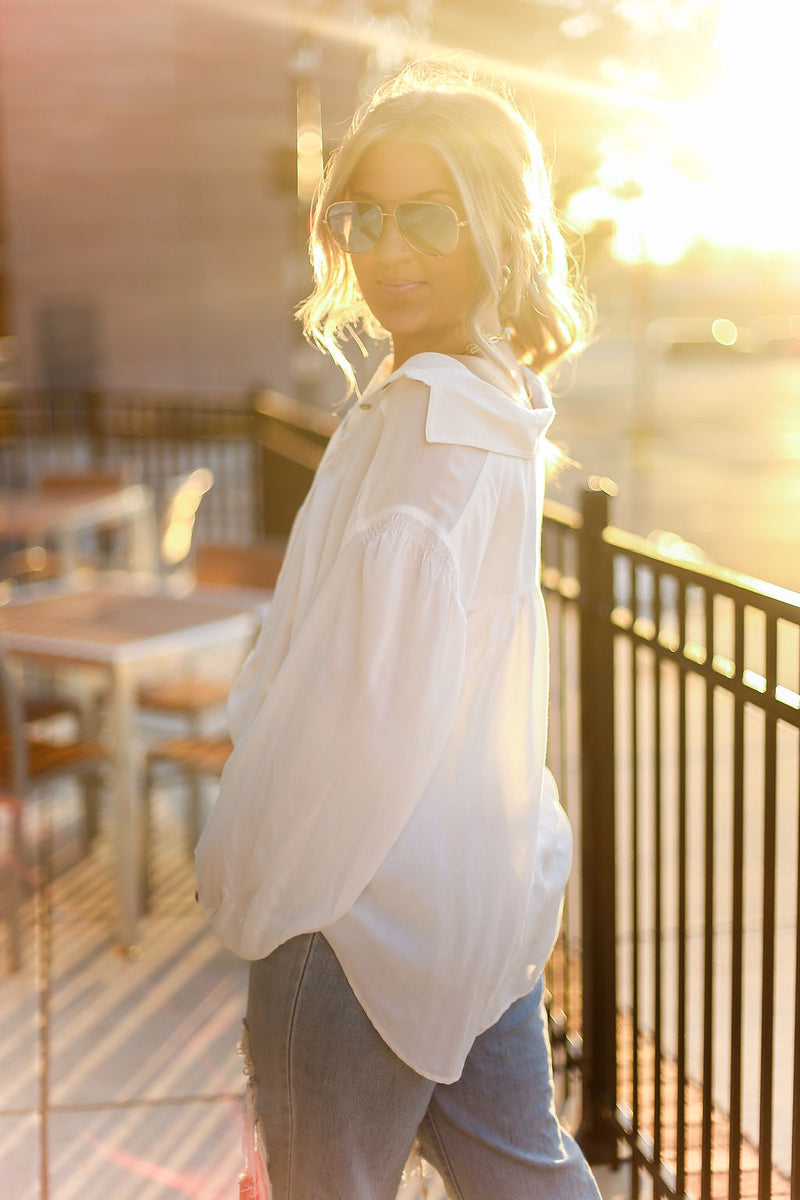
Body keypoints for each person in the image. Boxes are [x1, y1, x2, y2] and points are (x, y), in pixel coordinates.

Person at [195, 56, 600, 1200]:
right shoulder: (484, 397)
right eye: (363, 218)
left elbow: (352, 727)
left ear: (493, 227)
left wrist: (254, 887)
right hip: (474, 901)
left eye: (427, 216)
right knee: (530, 1177)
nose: (387, 252)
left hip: (355, 924)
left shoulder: (429, 430)